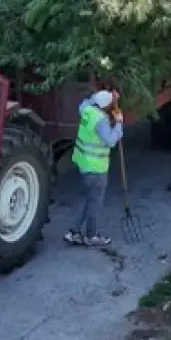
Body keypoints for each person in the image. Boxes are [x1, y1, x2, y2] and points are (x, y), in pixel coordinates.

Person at [65, 89, 124, 247]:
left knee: (85, 198)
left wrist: (112, 97)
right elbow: (111, 140)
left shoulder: (86, 109)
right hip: (96, 169)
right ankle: (91, 236)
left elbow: (90, 100)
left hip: (83, 164)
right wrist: (118, 122)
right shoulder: (100, 121)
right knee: (95, 203)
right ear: (104, 107)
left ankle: (73, 231)